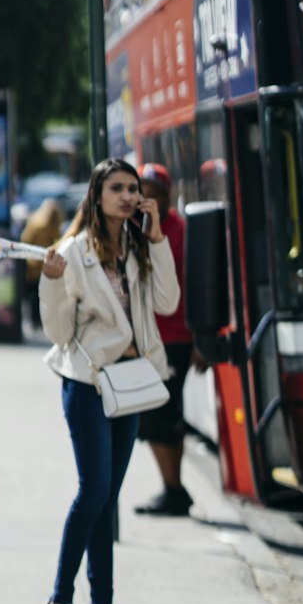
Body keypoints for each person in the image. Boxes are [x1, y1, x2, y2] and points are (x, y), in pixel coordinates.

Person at [37, 158, 179, 604]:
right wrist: (52, 281)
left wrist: (157, 236)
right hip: (89, 384)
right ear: (96, 195)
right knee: (93, 490)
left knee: (106, 498)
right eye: (116, 187)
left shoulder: (139, 246)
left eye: (132, 188)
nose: (125, 195)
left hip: (131, 383)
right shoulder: (73, 253)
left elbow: (167, 303)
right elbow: (57, 334)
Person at [133, 163, 199, 516]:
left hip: (173, 337)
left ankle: (173, 489)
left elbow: (193, 285)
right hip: (149, 337)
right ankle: (174, 489)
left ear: (167, 196)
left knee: (160, 416)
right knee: (165, 415)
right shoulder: (136, 229)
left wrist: (201, 339)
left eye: (153, 192)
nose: (146, 199)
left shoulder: (179, 231)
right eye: (142, 192)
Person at [20, 197, 63, 332]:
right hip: (42, 263)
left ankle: (34, 321)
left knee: (33, 295)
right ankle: (37, 321)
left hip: (34, 263)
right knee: (38, 295)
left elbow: (25, 239)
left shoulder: (35, 221)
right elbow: (57, 242)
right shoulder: (50, 224)